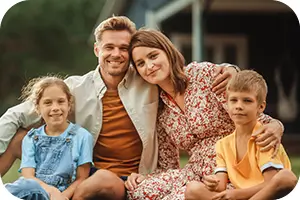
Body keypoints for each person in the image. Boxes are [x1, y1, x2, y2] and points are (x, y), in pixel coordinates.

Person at [0, 16, 276, 200]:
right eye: (109, 47)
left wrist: (232, 71)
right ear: (97, 50)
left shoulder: (155, 81)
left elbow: (236, 94)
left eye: (124, 48)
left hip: (127, 175)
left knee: (105, 183)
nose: (117, 54)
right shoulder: (78, 87)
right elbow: (19, 113)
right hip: (95, 168)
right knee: (21, 138)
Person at [126, 29, 285, 200]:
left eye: (153, 56)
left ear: (167, 52)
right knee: (138, 191)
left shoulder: (202, 75)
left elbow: (247, 110)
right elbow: (167, 164)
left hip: (230, 166)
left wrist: (276, 125)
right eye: (140, 63)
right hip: (193, 171)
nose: (149, 66)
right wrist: (146, 178)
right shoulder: (159, 106)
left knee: (178, 198)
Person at [184, 70, 297, 200]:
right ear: (227, 103)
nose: (239, 106)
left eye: (247, 101)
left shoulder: (265, 138)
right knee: (193, 188)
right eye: (234, 100)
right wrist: (212, 182)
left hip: (266, 196)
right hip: (242, 196)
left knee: (286, 177)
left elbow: (271, 184)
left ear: (260, 107)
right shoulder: (223, 144)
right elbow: (220, 186)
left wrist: (237, 195)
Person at [5, 76, 93, 200]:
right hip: (34, 191)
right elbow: (28, 175)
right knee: (26, 186)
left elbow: (82, 178)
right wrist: (51, 191)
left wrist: (62, 197)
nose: (55, 108)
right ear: (38, 108)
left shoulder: (82, 136)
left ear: (69, 105)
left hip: (63, 193)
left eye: (61, 101)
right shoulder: (31, 138)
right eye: (48, 103)